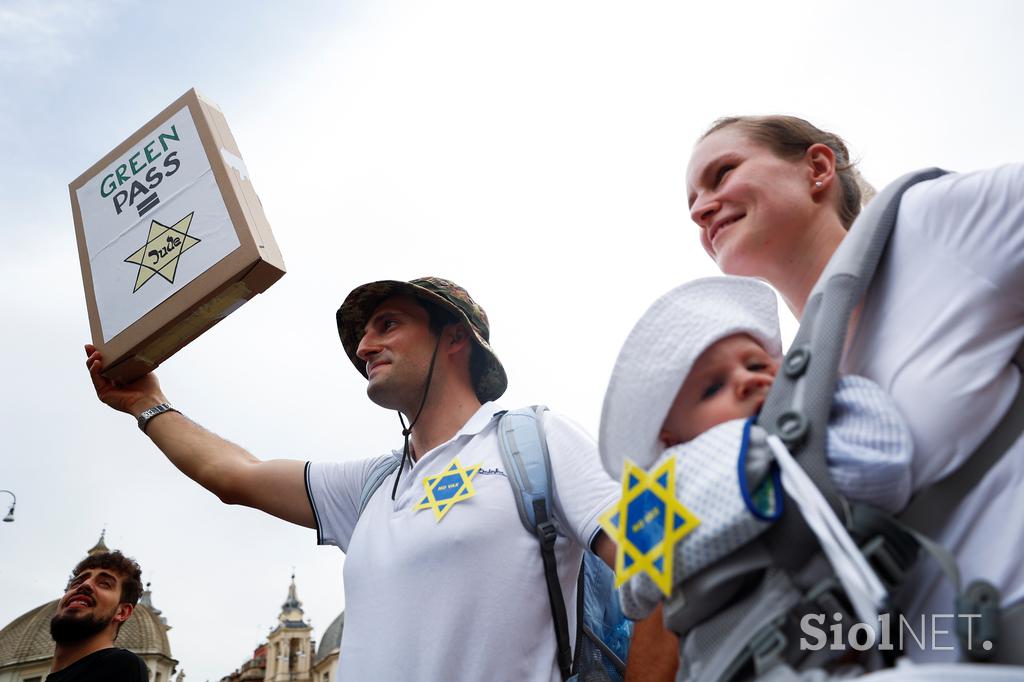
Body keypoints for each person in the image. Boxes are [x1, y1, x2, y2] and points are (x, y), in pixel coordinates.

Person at [86, 276, 619, 681]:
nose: (364, 347)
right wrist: (145, 403)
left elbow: (671, 551)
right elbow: (234, 475)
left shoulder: (542, 438)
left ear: (455, 337)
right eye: (363, 334)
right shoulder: (371, 486)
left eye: (387, 324)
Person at [685, 115, 1024, 660]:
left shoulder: (929, 225)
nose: (702, 208)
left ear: (817, 169)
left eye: (722, 173)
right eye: (693, 202)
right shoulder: (779, 398)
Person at [599, 276, 912, 620]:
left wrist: (823, 387)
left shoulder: (825, 424)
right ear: (671, 440)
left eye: (758, 365)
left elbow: (883, 472)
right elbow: (634, 592)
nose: (748, 380)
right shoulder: (668, 484)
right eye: (712, 388)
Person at [48, 550, 149, 681]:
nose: (85, 584)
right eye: (76, 583)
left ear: (122, 612)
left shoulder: (121, 665)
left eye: (104, 583)